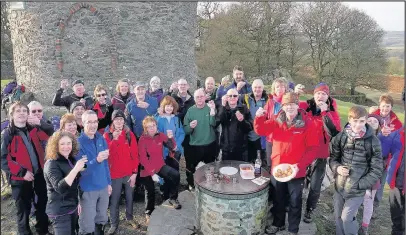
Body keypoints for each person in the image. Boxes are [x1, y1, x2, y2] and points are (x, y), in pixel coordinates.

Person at [254, 92, 319, 235]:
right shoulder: (277, 120)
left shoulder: (307, 123)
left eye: (292, 104)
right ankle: (278, 223)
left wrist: (300, 166)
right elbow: (260, 130)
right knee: (278, 198)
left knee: (295, 201)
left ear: (297, 105)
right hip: (277, 168)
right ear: (282, 106)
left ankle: (293, 229)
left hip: (296, 170)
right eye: (286, 105)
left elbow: (313, 149)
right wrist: (259, 117)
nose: (289, 108)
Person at [1, 101, 54, 235]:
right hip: (20, 178)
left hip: (39, 174)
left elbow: (50, 135)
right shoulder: (7, 134)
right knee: (23, 210)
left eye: (24, 111)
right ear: (11, 115)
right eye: (18, 111)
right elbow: (3, 158)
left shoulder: (33, 129)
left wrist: (39, 123)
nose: (22, 113)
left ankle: (43, 230)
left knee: (42, 204)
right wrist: (22, 172)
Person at [329, 106, 383, 235]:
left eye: (362, 121)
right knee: (338, 217)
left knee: (347, 219)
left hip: (357, 189)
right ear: (349, 119)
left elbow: (377, 168)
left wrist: (361, 184)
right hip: (339, 186)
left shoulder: (373, 141)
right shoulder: (341, 137)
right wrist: (337, 168)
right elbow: (333, 159)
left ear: (366, 121)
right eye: (355, 121)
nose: (358, 125)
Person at [299, 83, 341, 223]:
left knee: (316, 185)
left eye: (323, 94)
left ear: (327, 96)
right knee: (298, 180)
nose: (320, 96)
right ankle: (294, 204)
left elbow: (333, 132)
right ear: (314, 95)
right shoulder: (306, 107)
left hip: (321, 154)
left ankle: (309, 210)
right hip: (303, 151)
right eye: (318, 93)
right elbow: (290, 110)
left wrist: (325, 113)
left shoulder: (332, 112)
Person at [138, 116, 181, 224]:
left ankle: (172, 198)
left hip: (159, 165)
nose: (152, 128)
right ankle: (149, 212)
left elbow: (173, 147)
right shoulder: (142, 139)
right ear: (145, 128)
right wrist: (152, 174)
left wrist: (171, 138)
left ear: (156, 126)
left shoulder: (160, 135)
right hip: (147, 169)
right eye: (149, 127)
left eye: (153, 125)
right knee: (150, 191)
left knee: (175, 175)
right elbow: (143, 158)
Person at [76, 110, 112, 235]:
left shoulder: (101, 139)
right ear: (82, 124)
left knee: (101, 219)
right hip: (88, 189)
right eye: (89, 122)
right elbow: (81, 170)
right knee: (87, 224)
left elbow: (106, 164)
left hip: (103, 186)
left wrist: (108, 182)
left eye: (95, 121)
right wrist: (96, 160)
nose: (93, 125)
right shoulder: (78, 143)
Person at [44, 131, 87, 235]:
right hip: (59, 212)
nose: (66, 147)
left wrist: (77, 202)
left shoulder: (69, 159)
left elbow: (75, 184)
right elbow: (60, 188)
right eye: (62, 144)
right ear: (55, 146)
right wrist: (76, 169)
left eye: (69, 143)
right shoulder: (51, 163)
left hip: (72, 207)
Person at [103, 110, 139, 234]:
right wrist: (115, 140)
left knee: (130, 197)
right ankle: (114, 224)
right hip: (114, 175)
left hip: (129, 173)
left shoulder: (129, 134)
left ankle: (129, 217)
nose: (119, 121)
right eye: (116, 119)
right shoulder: (107, 135)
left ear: (124, 120)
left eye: (121, 119)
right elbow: (107, 155)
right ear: (112, 121)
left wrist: (135, 173)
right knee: (115, 200)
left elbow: (135, 154)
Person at [371, 94, 403, 209]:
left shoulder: (397, 124)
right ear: (380, 105)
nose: (385, 109)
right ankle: (364, 204)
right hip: (370, 156)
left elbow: (398, 144)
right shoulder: (371, 117)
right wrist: (380, 134)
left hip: (386, 159)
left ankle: (375, 205)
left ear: (391, 107)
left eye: (388, 106)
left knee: (380, 183)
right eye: (383, 106)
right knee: (367, 180)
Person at [183, 88, 217, 191]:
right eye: (197, 97)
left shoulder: (209, 107)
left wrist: (212, 112)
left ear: (205, 97)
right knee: (191, 167)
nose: (199, 99)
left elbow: (213, 124)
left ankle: (209, 186)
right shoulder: (190, 111)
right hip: (195, 145)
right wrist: (190, 126)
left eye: (201, 96)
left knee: (210, 167)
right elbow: (186, 129)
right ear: (194, 98)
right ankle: (191, 185)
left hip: (209, 143)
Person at [359, 114, 384, 234]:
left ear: (379, 126)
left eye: (375, 121)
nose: (372, 122)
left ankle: (364, 226)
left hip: (372, 176)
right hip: (357, 175)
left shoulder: (381, 139)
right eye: (369, 120)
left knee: (368, 202)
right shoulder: (358, 135)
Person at [239, 79, 270, 163]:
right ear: (252, 88)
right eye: (255, 87)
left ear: (263, 88)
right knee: (248, 162)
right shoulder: (245, 98)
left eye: (259, 87)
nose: (257, 89)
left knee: (261, 162)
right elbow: (232, 96)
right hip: (248, 135)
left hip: (261, 137)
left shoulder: (268, 100)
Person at [217, 88, 252, 161]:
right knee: (226, 170)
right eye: (230, 96)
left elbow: (249, 128)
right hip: (226, 149)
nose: (232, 97)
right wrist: (223, 106)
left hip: (241, 149)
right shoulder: (223, 108)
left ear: (238, 97)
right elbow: (218, 121)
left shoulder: (244, 108)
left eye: (235, 96)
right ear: (227, 97)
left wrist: (242, 121)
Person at [381, 127, 405, 235]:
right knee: (396, 221)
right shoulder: (398, 134)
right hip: (395, 184)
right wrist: (383, 136)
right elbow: (383, 151)